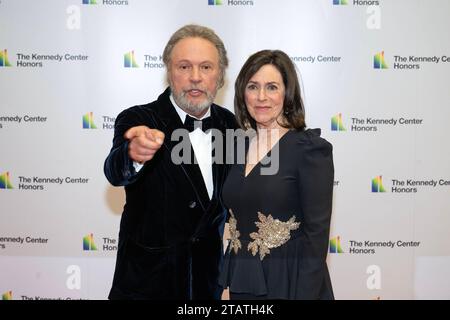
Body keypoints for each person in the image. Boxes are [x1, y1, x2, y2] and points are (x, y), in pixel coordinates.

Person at [104, 24, 237, 300]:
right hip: (147, 287)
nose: (195, 78)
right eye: (184, 67)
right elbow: (115, 171)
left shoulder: (230, 125)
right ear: (169, 71)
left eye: (206, 67)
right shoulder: (138, 119)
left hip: (207, 287)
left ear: (220, 75)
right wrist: (133, 154)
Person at [219, 50, 335, 299]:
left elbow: (316, 238)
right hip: (242, 281)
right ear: (242, 93)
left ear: (287, 93)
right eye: (253, 87)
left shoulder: (310, 149)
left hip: (289, 282)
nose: (261, 97)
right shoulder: (237, 145)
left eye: (272, 87)